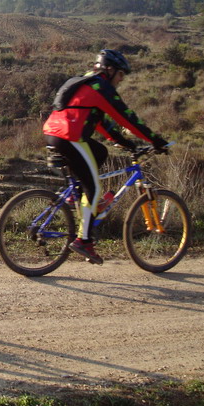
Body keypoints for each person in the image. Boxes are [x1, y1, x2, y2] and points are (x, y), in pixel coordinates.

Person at [42, 49, 169, 265]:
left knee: (101, 152)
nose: (121, 80)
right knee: (95, 188)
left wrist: (125, 143)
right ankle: (84, 241)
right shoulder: (102, 88)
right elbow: (127, 117)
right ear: (109, 70)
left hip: (54, 132)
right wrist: (155, 140)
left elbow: (100, 122)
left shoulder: (87, 82)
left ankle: (77, 196)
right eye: (120, 74)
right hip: (69, 136)